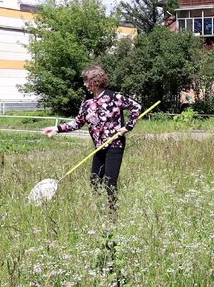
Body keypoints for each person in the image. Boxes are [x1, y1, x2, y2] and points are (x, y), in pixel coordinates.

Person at [42, 65, 142, 219]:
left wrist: (127, 127)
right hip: (99, 148)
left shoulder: (114, 97)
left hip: (115, 145)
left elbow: (136, 107)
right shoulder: (87, 102)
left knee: (110, 182)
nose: (84, 84)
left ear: (95, 82)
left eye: (86, 80)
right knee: (95, 181)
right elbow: (78, 122)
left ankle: (113, 216)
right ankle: (98, 212)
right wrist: (57, 129)